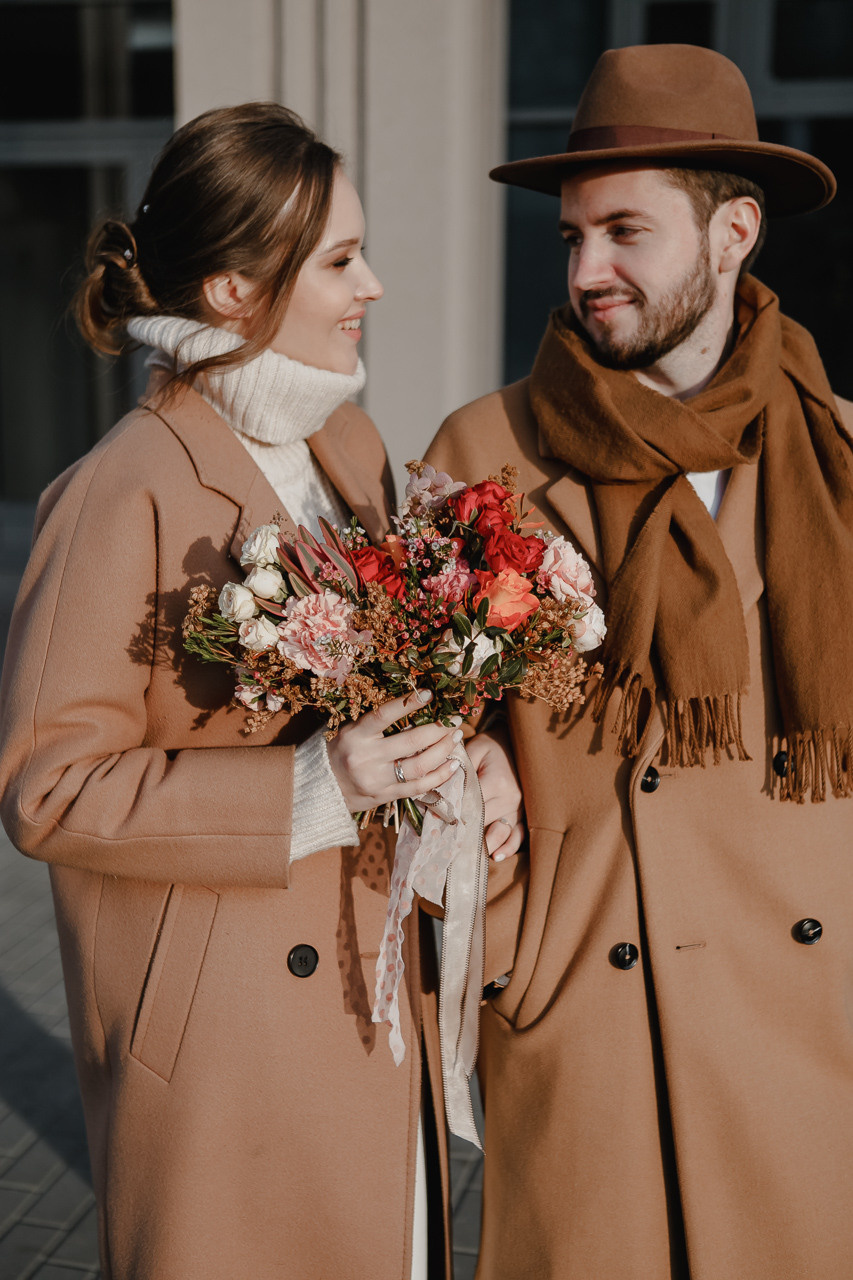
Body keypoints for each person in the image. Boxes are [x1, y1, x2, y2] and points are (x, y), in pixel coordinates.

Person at [0, 103, 522, 1280]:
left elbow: (401, 682)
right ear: (234, 288)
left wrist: (467, 751)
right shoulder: (117, 489)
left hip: (368, 994)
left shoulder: (352, 448)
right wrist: (307, 784)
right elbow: (45, 788)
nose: (373, 284)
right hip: (229, 1053)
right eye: (341, 258)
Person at [427, 43, 853, 1280]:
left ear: (733, 232)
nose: (585, 271)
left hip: (801, 1029)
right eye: (570, 236)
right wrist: (476, 762)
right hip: (587, 1018)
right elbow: (412, 708)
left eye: (624, 230)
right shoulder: (483, 450)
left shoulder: (833, 460)